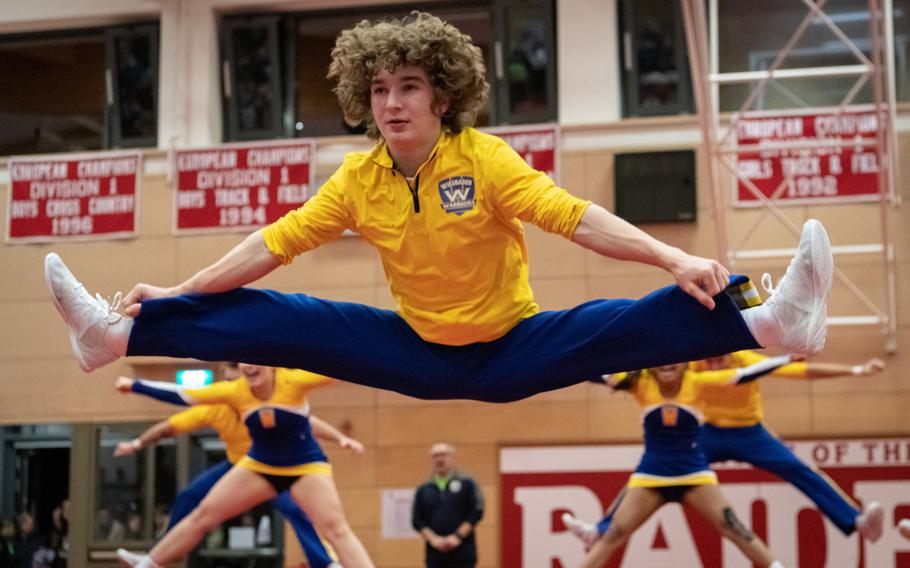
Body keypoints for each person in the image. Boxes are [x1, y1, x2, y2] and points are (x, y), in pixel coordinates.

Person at [44, 11, 833, 405]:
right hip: (411, 350)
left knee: (635, 315)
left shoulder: (484, 158)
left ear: (442, 95)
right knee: (276, 311)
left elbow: (573, 215)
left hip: (511, 349)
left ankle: (768, 320)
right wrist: (178, 293)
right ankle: (117, 336)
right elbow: (274, 241)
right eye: (379, 89)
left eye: (409, 86)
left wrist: (674, 254)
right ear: (364, 98)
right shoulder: (357, 179)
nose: (391, 103)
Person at [565, 350, 888, 546]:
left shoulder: (744, 360)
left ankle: (857, 521)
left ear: (732, 354)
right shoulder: (692, 366)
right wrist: (581, 366)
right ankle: (600, 529)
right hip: (706, 434)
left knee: (798, 468)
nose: (715, 364)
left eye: (722, 358)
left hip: (750, 432)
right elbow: (631, 373)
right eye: (710, 358)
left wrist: (856, 370)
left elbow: (802, 371)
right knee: (651, 470)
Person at [112, 364, 373, 568]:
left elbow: (339, 371)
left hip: (305, 467)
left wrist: (341, 438)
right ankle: (149, 561)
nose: (249, 366)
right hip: (257, 465)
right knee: (202, 511)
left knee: (335, 528)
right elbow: (183, 395)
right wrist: (135, 386)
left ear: (272, 365)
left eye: (256, 360)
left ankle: (326, 562)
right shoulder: (234, 392)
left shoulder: (293, 381)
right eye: (244, 361)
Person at [568, 361, 792, 568]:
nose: (667, 363)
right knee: (613, 533)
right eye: (661, 359)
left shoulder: (697, 382)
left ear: (686, 363)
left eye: (674, 358)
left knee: (734, 527)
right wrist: (567, 360)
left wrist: (786, 359)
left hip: (694, 473)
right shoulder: (640, 382)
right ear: (651, 364)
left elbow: (745, 374)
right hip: (651, 475)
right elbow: (592, 371)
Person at [412, 443, 484, 568]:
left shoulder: (467, 483)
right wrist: (434, 540)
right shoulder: (424, 488)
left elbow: (476, 512)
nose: (440, 459)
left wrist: (457, 536)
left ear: (452, 457)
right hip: (435, 555)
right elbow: (417, 520)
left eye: (443, 455)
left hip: (463, 554)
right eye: (435, 456)